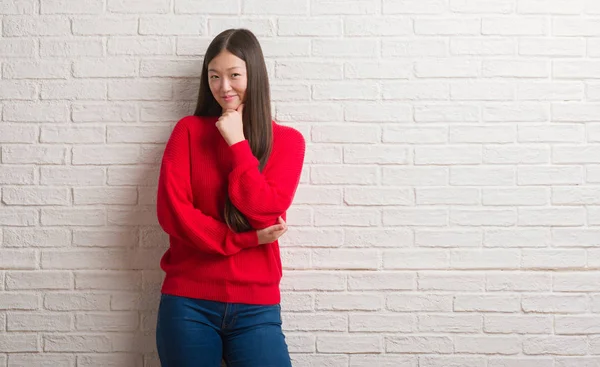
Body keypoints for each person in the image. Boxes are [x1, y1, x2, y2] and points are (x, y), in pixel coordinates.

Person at [154, 28, 305, 367]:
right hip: (188, 302)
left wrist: (237, 144)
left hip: (257, 306)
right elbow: (174, 214)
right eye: (214, 76)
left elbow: (266, 213)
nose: (224, 87)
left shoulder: (288, 141)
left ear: (254, 75)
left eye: (234, 75)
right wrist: (246, 240)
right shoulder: (188, 132)